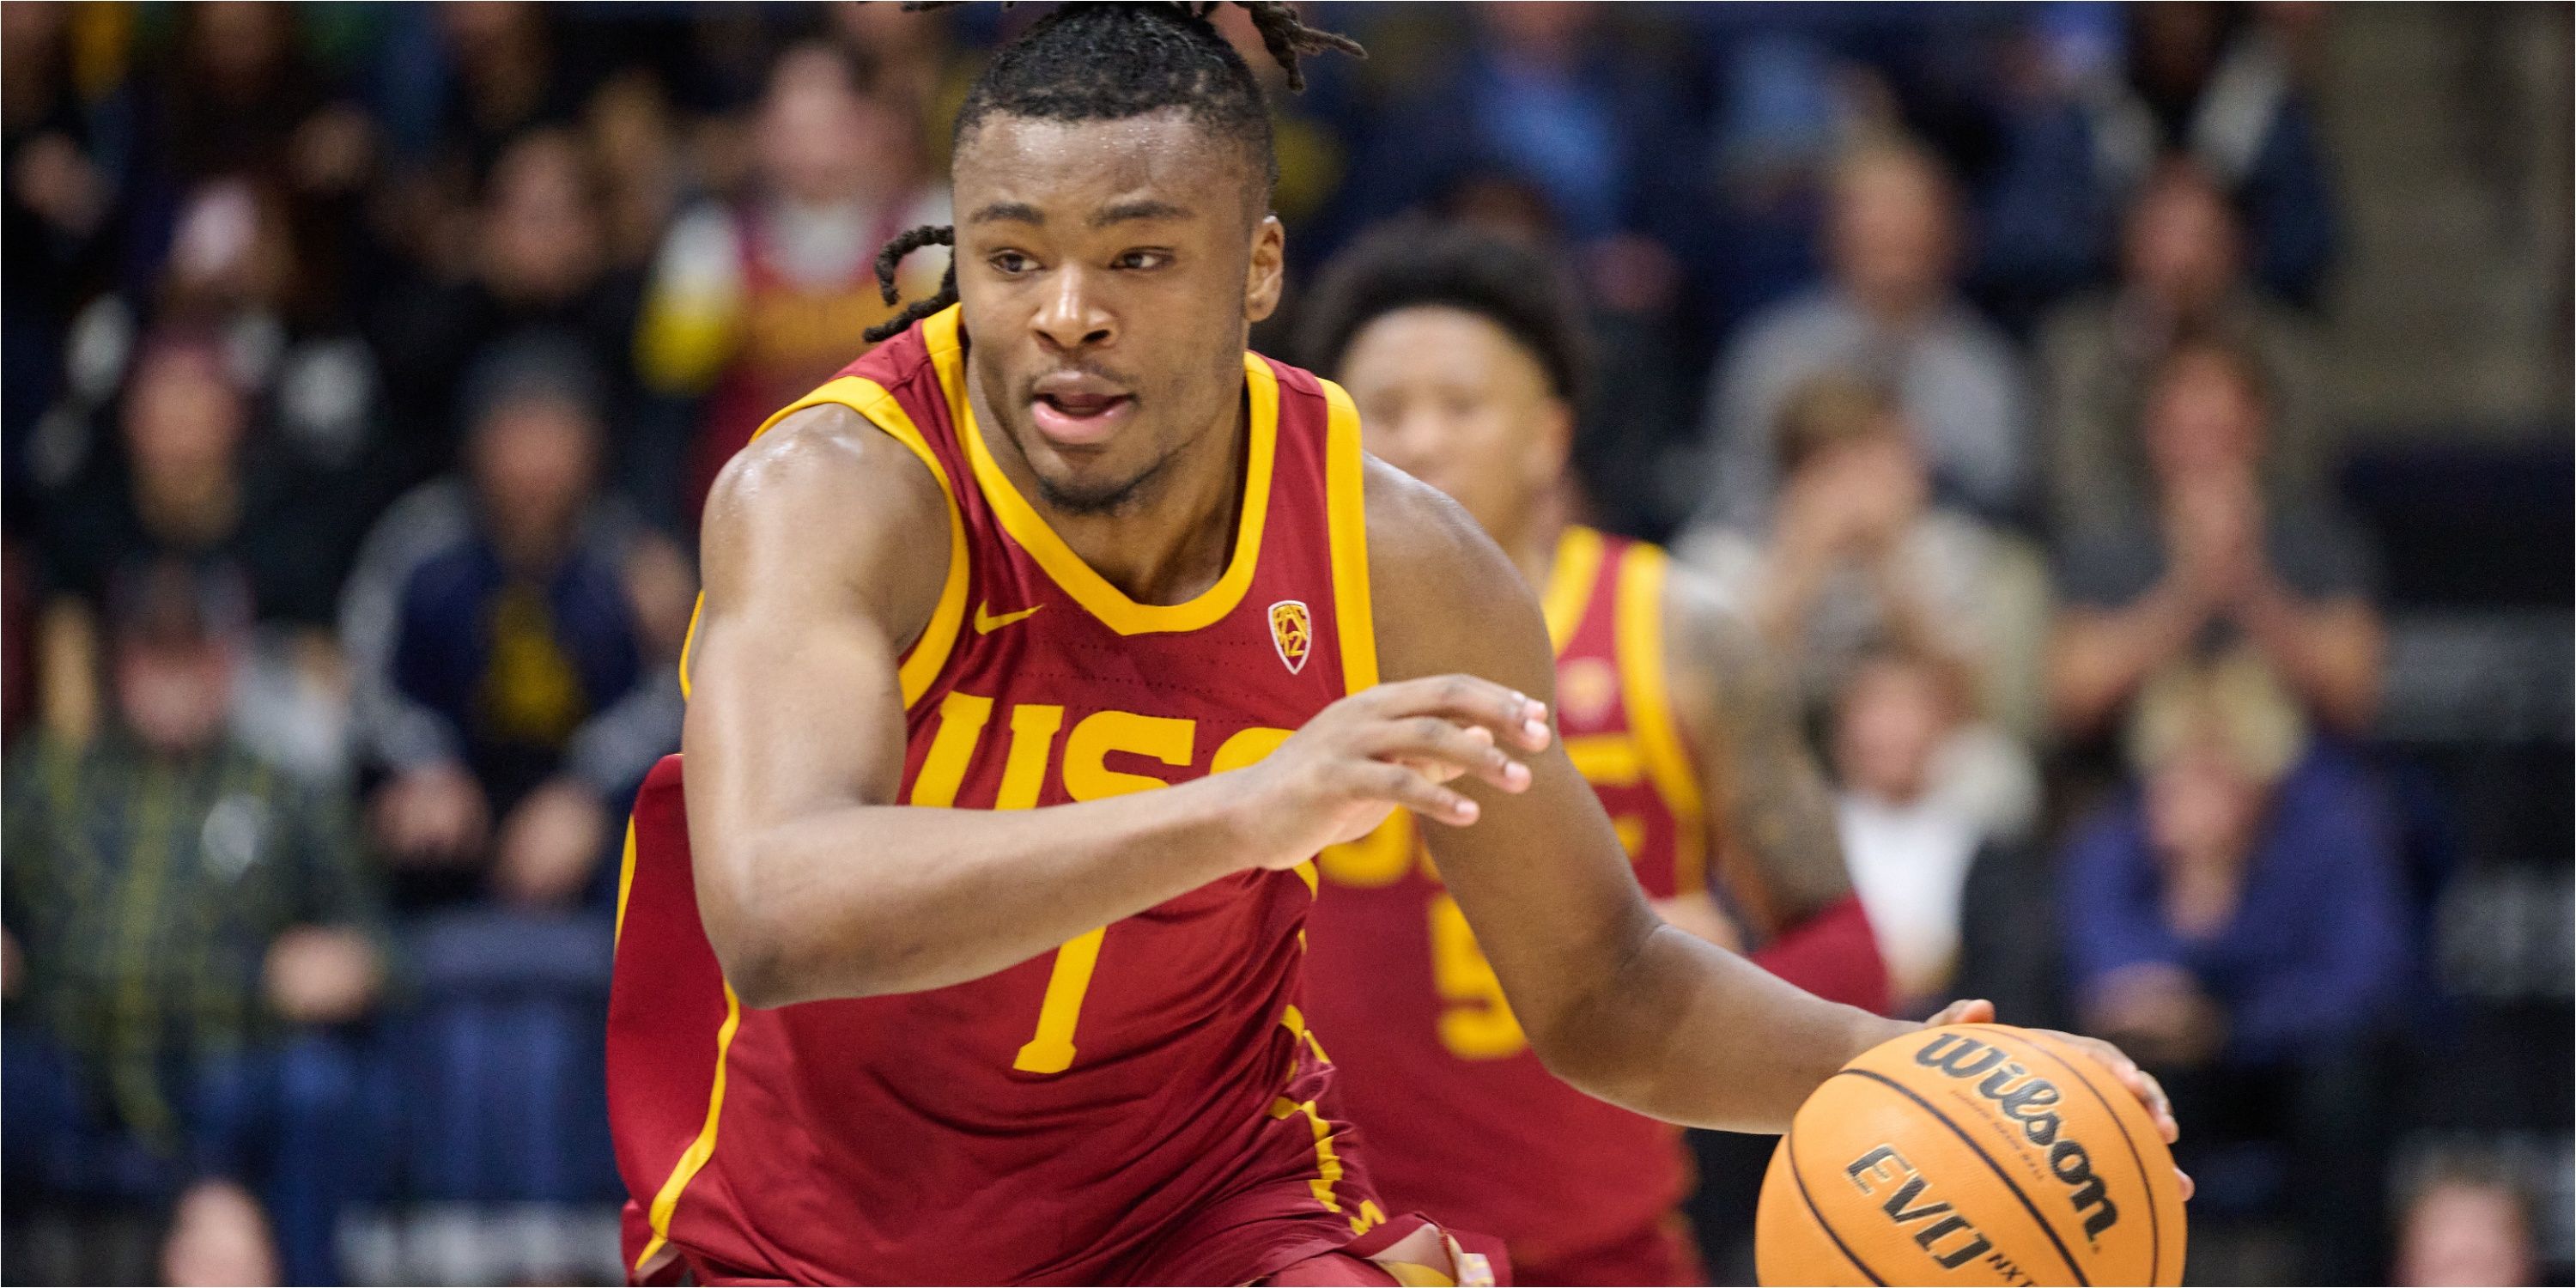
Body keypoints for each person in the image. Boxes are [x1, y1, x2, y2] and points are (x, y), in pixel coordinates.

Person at [611, 8, 2178, 1285]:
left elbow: (1604, 987)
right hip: (806, 1233)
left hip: (1196, 1214)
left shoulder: (1398, 556)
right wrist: (1249, 808)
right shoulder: (841, 492)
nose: (1066, 314)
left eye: (1139, 258)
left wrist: (1893, 1070)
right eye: (1013, 258)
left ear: (1260, 271)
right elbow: (775, 905)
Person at [1294, 222, 1886, 1284]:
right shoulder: (1260, 640)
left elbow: (1846, 941)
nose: (1420, 441)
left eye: (1461, 406)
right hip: (1330, 1251)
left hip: (1601, 1251)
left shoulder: (1677, 632)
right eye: (1383, 410)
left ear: (1547, 437)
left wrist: (1728, 966)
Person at [2, 556, 388, 1286]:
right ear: (120, 659)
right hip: (73, 1071)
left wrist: (352, 961)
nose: (173, 675)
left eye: (193, 651)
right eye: (155, 650)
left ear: (228, 659)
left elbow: (385, 943)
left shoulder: (284, 786)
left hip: (234, 1082)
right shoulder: (46, 779)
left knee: (323, 1090)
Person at [342, 334, 685, 910]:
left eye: (555, 435)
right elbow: (365, 674)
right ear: (475, 444)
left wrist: (589, 790)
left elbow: (676, 691)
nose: (534, 463)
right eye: (514, 435)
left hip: (591, 806)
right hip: (448, 797)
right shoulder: (419, 544)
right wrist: (424, 763)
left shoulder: (633, 560)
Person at [632, 40, 951, 525]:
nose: (814, 149)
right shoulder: (707, 249)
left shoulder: (932, 236)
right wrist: (658, 534)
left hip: (903, 516)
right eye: (795, 127)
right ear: (761, 133)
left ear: (872, 126)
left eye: (831, 125)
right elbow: (667, 420)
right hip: (749, 520)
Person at [1679, 370, 2052, 744]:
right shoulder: (1724, 554)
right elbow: (1711, 700)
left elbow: (1972, 706)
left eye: (1881, 464)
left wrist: (1890, 568)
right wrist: (1801, 564)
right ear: (1797, 478)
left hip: (1914, 756)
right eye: (1839, 470)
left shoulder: (1950, 548)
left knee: (1989, 769)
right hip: (1776, 743)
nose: (1861, 491)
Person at [2049, 335, 2384, 744]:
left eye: (2221, 433)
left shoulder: (2319, 542)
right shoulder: (2106, 545)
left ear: (2258, 430)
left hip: (2297, 778)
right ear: (2153, 434)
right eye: (2188, 434)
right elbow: (2073, 698)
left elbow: (2355, 694)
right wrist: (2190, 592)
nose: (2206, 456)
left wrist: (2249, 588)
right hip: (2140, 781)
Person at [1694, 138, 2029, 530]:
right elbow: (1732, 491)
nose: (1892, 240)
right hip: (1786, 555)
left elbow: (2000, 499)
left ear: (1949, 236)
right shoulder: (1770, 352)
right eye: (1874, 224)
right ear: (1834, 234)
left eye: (1909, 225)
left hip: (1936, 566)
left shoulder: (1982, 365)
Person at [2037, 158, 2326, 536]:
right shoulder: (2078, 347)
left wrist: (2225, 524)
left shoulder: (2282, 347)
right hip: (2119, 548)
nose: (2185, 259)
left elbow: (2303, 472)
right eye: (2165, 235)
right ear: (2126, 242)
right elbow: (2074, 479)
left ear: (2238, 246)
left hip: (2260, 543)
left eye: (2203, 236)